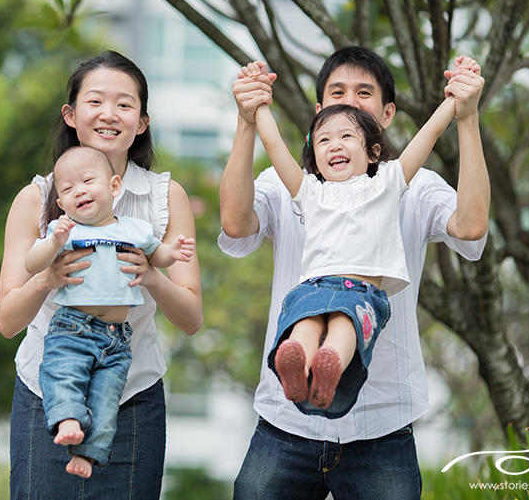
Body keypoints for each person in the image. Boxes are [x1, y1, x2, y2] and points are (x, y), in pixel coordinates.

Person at [219, 47, 490, 499]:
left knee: (349, 318)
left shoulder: (410, 184)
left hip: (382, 425)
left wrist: (466, 116)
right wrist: (249, 117)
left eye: (364, 93)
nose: (350, 100)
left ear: (385, 114)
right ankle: (302, 363)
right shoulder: (291, 186)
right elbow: (235, 225)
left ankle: (331, 360)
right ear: (318, 112)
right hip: (285, 423)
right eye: (337, 92)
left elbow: (471, 226)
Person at [0, 51, 202, 500]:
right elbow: (7, 321)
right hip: (44, 391)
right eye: (95, 102)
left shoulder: (165, 198)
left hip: (132, 396)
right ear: (71, 115)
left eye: (125, 105)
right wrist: (47, 280)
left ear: (142, 122)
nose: (110, 115)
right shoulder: (37, 200)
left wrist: (152, 277)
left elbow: (190, 319)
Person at [244, 58, 468, 420]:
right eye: (324, 139)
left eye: (347, 137)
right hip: (314, 286)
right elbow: (272, 144)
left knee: (343, 325)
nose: (335, 145)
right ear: (314, 156)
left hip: (359, 291)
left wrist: (455, 103)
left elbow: (426, 137)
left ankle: (326, 365)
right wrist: (259, 106)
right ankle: (298, 365)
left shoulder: (387, 184)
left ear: (374, 151)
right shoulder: (308, 190)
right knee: (305, 323)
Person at [24, 145, 195, 478]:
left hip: (117, 339)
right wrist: (53, 243)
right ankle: (68, 419)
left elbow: (155, 255)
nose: (80, 192)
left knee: (106, 398)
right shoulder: (68, 232)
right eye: (68, 189)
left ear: (114, 187)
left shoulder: (133, 229)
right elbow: (31, 263)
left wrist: (172, 252)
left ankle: (87, 455)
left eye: (88, 181)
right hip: (72, 329)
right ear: (61, 204)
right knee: (62, 374)